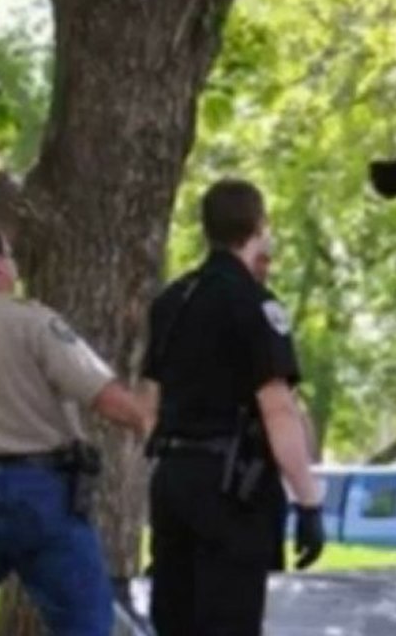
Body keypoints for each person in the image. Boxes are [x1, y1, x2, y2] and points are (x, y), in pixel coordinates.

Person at [0, 221, 151, 635]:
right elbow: (99, 391)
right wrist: (145, 420)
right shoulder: (35, 324)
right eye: (7, 254)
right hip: (44, 492)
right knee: (87, 623)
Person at [141, 178, 324, 636]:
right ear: (259, 227)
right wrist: (308, 501)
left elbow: (150, 402)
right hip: (233, 490)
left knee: (175, 621)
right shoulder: (254, 304)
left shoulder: (172, 301)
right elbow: (278, 410)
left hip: (173, 478)